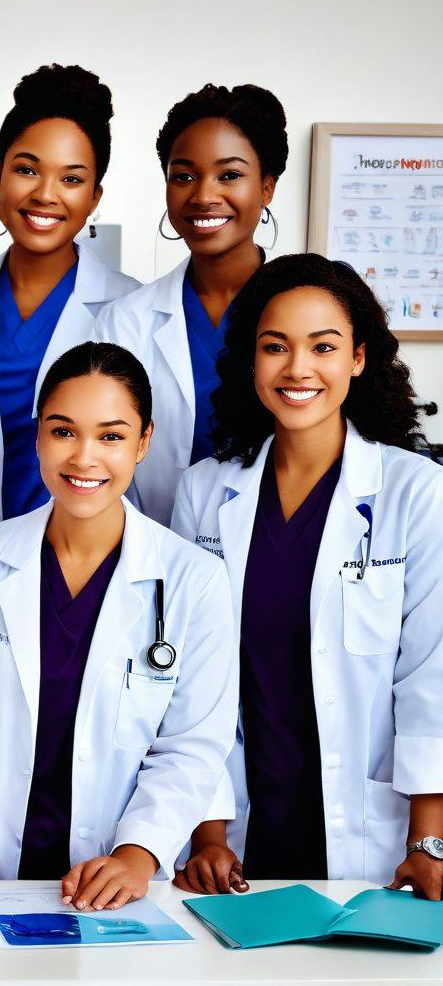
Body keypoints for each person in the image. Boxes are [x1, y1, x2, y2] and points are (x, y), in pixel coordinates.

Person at [0, 342, 236, 911]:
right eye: (64, 432)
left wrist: (135, 860)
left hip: (123, 882)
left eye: (111, 436)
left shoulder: (195, 579)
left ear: (143, 443)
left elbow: (190, 750)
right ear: (38, 436)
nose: (84, 458)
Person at [172, 254, 443, 898]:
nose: (297, 369)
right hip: (241, 818)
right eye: (275, 347)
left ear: (358, 358)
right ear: (250, 359)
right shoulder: (205, 493)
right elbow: (190, 678)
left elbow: (432, 673)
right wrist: (209, 832)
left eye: (323, 347)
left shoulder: (416, 492)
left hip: (373, 828)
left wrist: (428, 839)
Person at [0, 63, 140, 520]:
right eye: (27, 170)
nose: (45, 194)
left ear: (95, 198)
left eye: (72, 179)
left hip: (78, 547)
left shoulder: (129, 308)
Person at [96, 83, 288, 525]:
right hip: (159, 554)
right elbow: (106, 453)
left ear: (267, 187)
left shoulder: (310, 315)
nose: (203, 195)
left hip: (277, 546)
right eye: (183, 175)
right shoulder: (124, 322)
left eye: (229, 175)